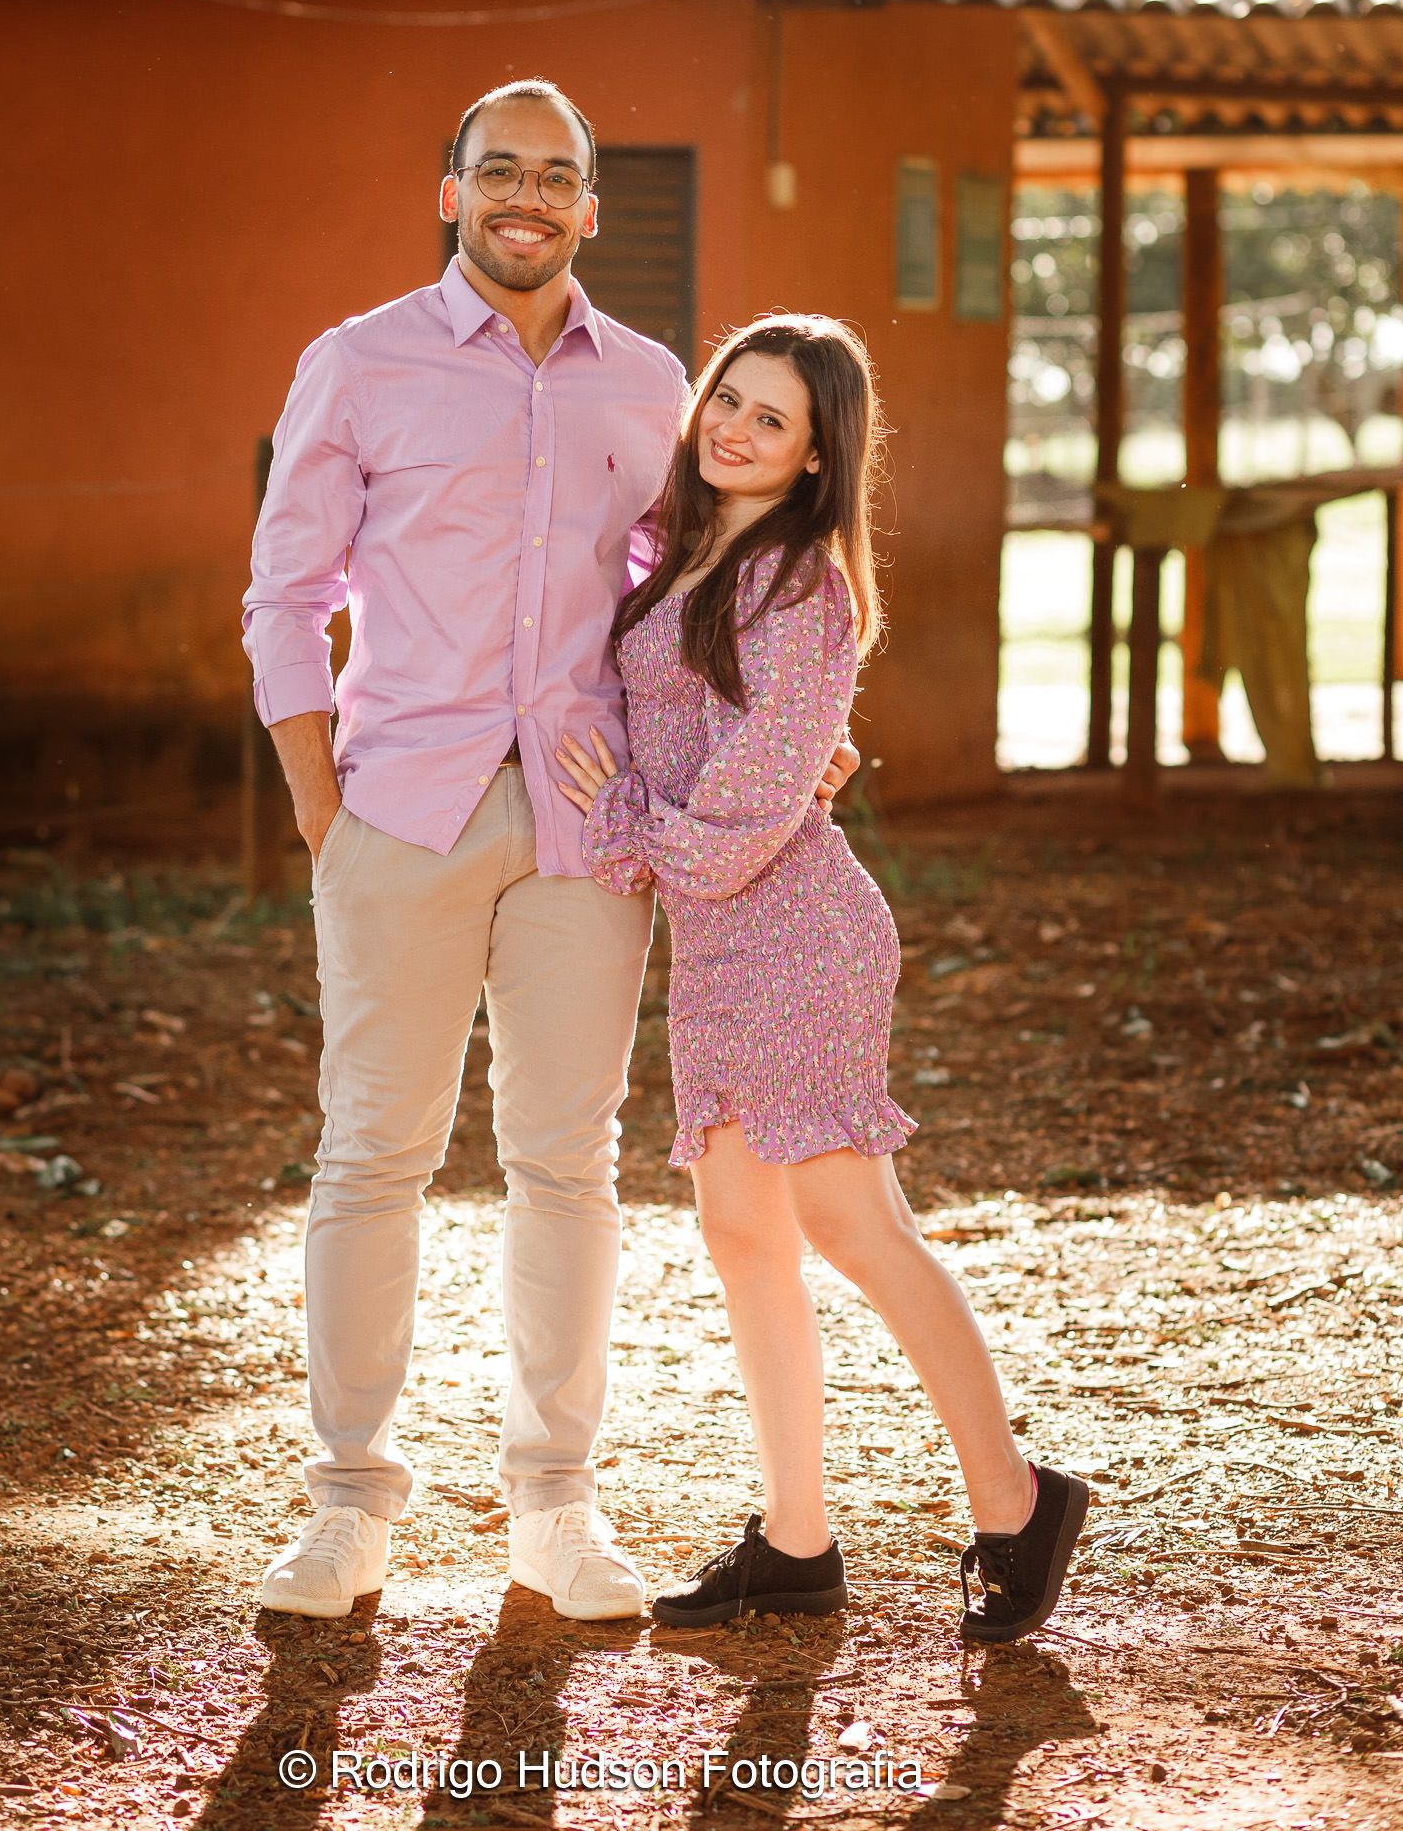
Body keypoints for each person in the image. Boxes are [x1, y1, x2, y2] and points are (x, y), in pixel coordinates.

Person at [241, 81, 860, 1624]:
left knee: (567, 1166)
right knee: (372, 1157)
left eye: (556, 175)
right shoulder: (357, 363)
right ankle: (348, 1507)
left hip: (595, 828)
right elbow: (284, 595)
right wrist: (323, 811)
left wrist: (790, 734)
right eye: (497, 169)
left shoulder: (652, 386)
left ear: (590, 207)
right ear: (450, 192)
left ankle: (555, 1508)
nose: (526, 195)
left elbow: (702, 583)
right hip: (400, 812)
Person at [556, 314, 1088, 1642]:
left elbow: (733, 828)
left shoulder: (803, 587)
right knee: (744, 1240)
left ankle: (1018, 1502)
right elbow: (723, 766)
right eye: (726, 399)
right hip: (717, 948)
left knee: (855, 1228)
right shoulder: (684, 551)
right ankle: (797, 1542)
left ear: (814, 456)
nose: (733, 428)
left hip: (798, 935)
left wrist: (621, 806)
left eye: (771, 419)